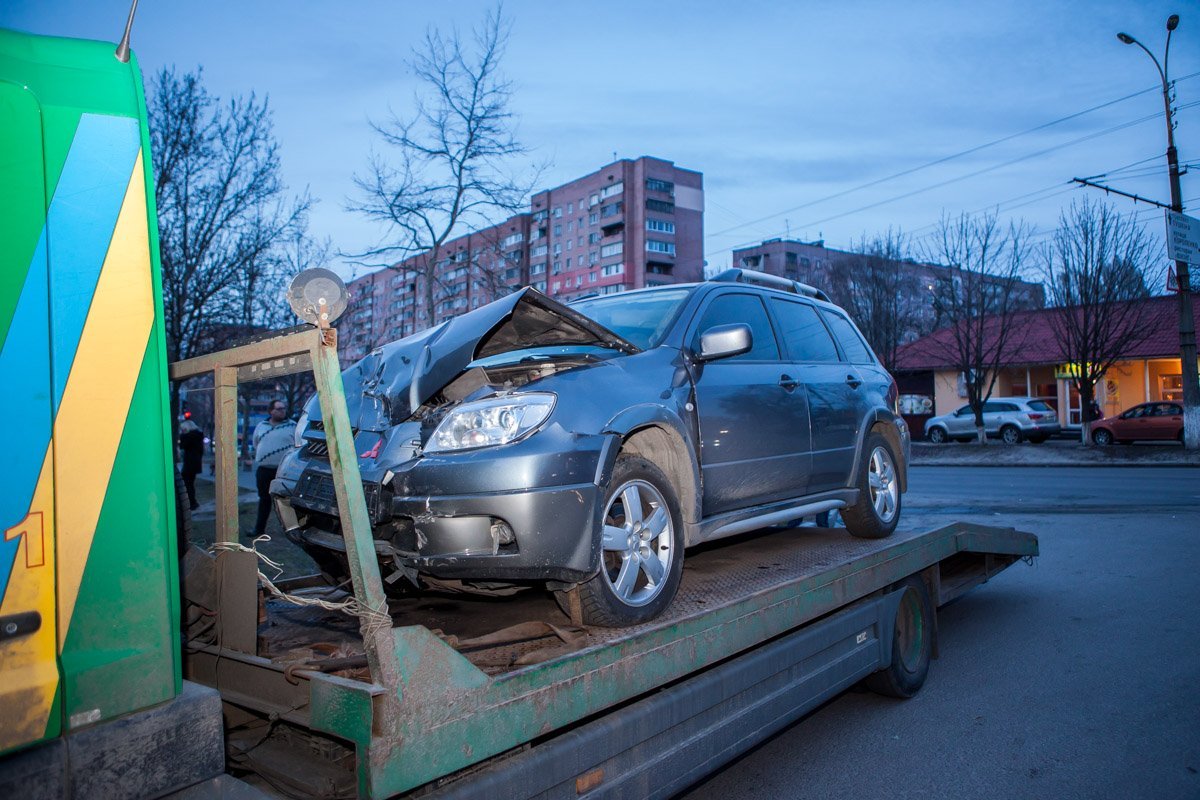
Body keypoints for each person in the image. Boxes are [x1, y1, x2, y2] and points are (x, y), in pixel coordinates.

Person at [251, 399, 297, 538]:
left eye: (284, 408)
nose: (282, 411)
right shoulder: (261, 425)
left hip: (283, 471)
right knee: (264, 499)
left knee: (286, 500)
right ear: (271, 411)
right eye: (279, 408)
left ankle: (293, 531)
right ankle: (259, 529)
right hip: (264, 469)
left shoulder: (293, 426)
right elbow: (255, 443)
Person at [178, 420, 205, 510]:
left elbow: (182, 445)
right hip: (195, 463)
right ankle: (193, 502)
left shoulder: (189, 437)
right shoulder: (197, 436)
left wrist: (183, 435)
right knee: (190, 483)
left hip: (190, 463)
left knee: (187, 484)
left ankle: (191, 503)